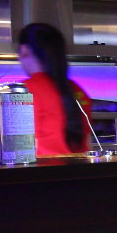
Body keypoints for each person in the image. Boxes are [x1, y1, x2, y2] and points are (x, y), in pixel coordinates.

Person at [17, 22, 92, 156]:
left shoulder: (25, 91)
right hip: (80, 167)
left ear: (24, 50)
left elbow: (21, 148)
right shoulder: (77, 90)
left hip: (44, 168)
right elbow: (87, 142)